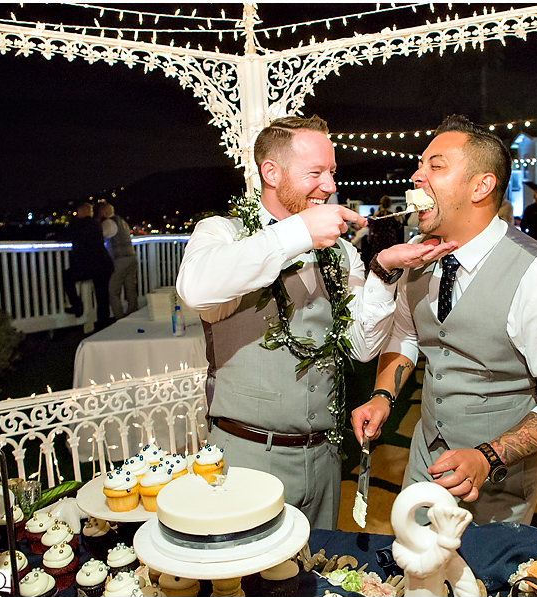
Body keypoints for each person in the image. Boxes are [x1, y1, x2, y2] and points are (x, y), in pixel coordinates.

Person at [175, 115, 453, 529]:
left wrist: (382, 273)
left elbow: (361, 347)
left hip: (324, 456)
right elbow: (196, 289)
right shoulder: (222, 233)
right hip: (247, 458)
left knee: (316, 579)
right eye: (315, 173)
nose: (329, 186)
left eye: (332, 172)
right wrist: (297, 232)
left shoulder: (340, 253)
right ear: (271, 172)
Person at [350, 115, 537, 526]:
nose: (417, 176)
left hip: (499, 483)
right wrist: (383, 397)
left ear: (480, 186)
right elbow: (408, 336)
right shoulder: (415, 255)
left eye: (435, 166)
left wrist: (488, 456)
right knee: (416, 573)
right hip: (425, 461)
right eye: (420, 165)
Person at [62, 202, 113, 329]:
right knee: (102, 296)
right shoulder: (97, 224)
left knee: (67, 276)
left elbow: (64, 236)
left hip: (88, 266)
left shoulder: (77, 225)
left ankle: (76, 305)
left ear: (81, 212)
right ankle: (103, 324)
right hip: (104, 264)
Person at [97, 202, 139, 319]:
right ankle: (133, 312)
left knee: (113, 290)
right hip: (131, 256)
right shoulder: (122, 221)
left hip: (120, 259)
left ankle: (119, 317)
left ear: (104, 212)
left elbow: (101, 237)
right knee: (130, 287)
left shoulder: (108, 223)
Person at [365, 195, 404, 265]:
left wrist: (369, 236)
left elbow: (371, 227)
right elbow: (398, 227)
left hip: (378, 239)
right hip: (389, 239)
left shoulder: (376, 215)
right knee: (390, 258)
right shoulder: (392, 215)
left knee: (378, 258)